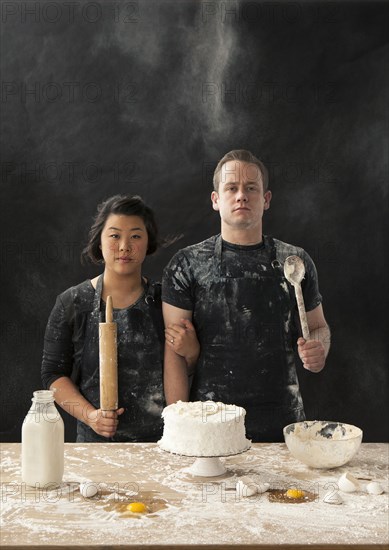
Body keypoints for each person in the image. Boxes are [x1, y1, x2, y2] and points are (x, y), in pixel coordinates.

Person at [162, 150, 330, 442]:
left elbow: (318, 328)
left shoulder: (295, 261)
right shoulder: (186, 264)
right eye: (231, 188)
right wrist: (180, 427)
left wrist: (319, 349)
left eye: (251, 188)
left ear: (265, 200)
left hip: (283, 424)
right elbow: (174, 351)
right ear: (216, 200)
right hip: (210, 423)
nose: (242, 196)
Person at [41, 194, 199, 442]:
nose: (124, 246)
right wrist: (91, 416)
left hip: (161, 445)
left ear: (148, 243)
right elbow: (53, 374)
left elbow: (184, 370)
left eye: (135, 236)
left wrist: (192, 352)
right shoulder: (72, 302)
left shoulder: (166, 302)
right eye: (114, 235)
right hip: (96, 448)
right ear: (100, 242)